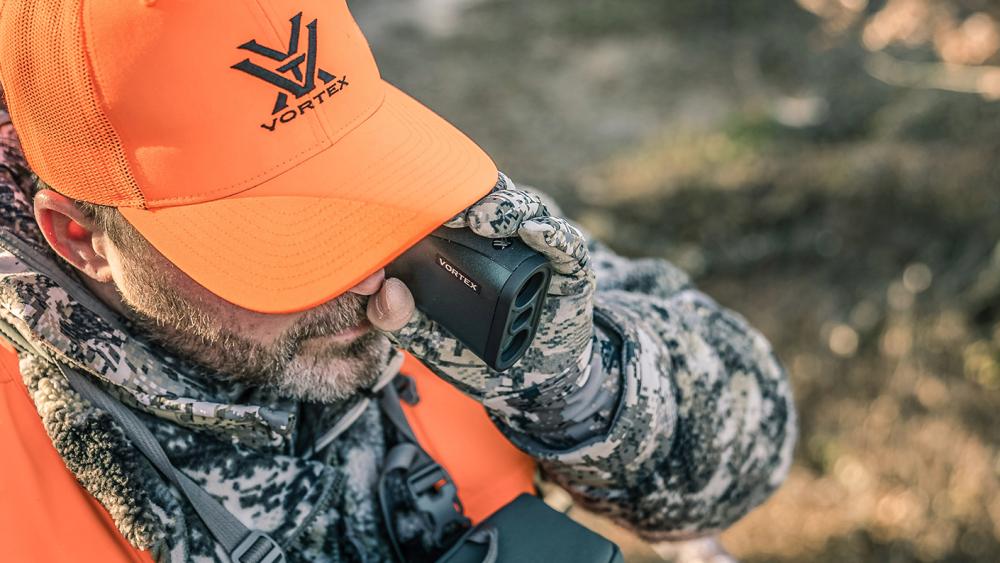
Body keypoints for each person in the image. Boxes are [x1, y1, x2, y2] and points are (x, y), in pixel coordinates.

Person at [0, 1, 796, 561]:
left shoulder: (453, 243)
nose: (366, 272)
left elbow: (751, 454)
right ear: (80, 236)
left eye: (352, 185)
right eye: (280, 242)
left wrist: (572, 383)